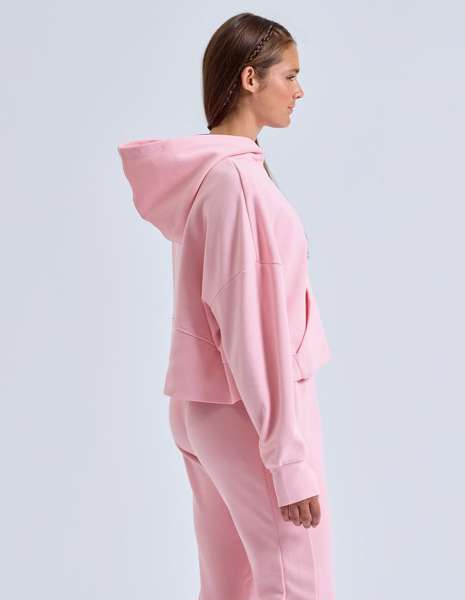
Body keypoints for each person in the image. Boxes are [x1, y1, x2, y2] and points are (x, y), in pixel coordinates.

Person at [118, 12, 335, 600]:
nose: (299, 90)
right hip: (249, 413)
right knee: (297, 582)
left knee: (230, 586)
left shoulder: (209, 179)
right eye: (290, 75)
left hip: (208, 407)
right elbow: (252, 328)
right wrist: (287, 459)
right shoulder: (238, 186)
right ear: (250, 78)